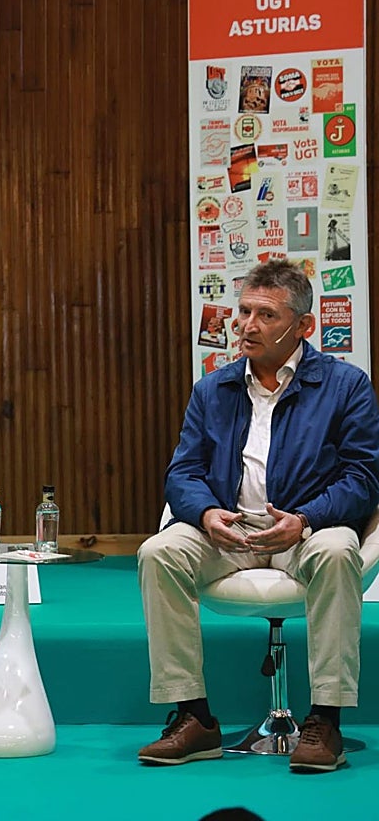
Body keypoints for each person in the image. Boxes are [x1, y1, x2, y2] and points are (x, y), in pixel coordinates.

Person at [137, 260, 379, 773]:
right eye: (243, 311)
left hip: (306, 529)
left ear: (303, 327)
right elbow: (183, 472)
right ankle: (194, 717)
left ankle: (326, 721)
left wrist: (306, 518)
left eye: (265, 315)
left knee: (338, 550)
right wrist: (204, 514)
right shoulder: (213, 389)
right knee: (158, 552)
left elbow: (364, 477)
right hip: (229, 532)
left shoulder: (346, 386)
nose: (247, 325)